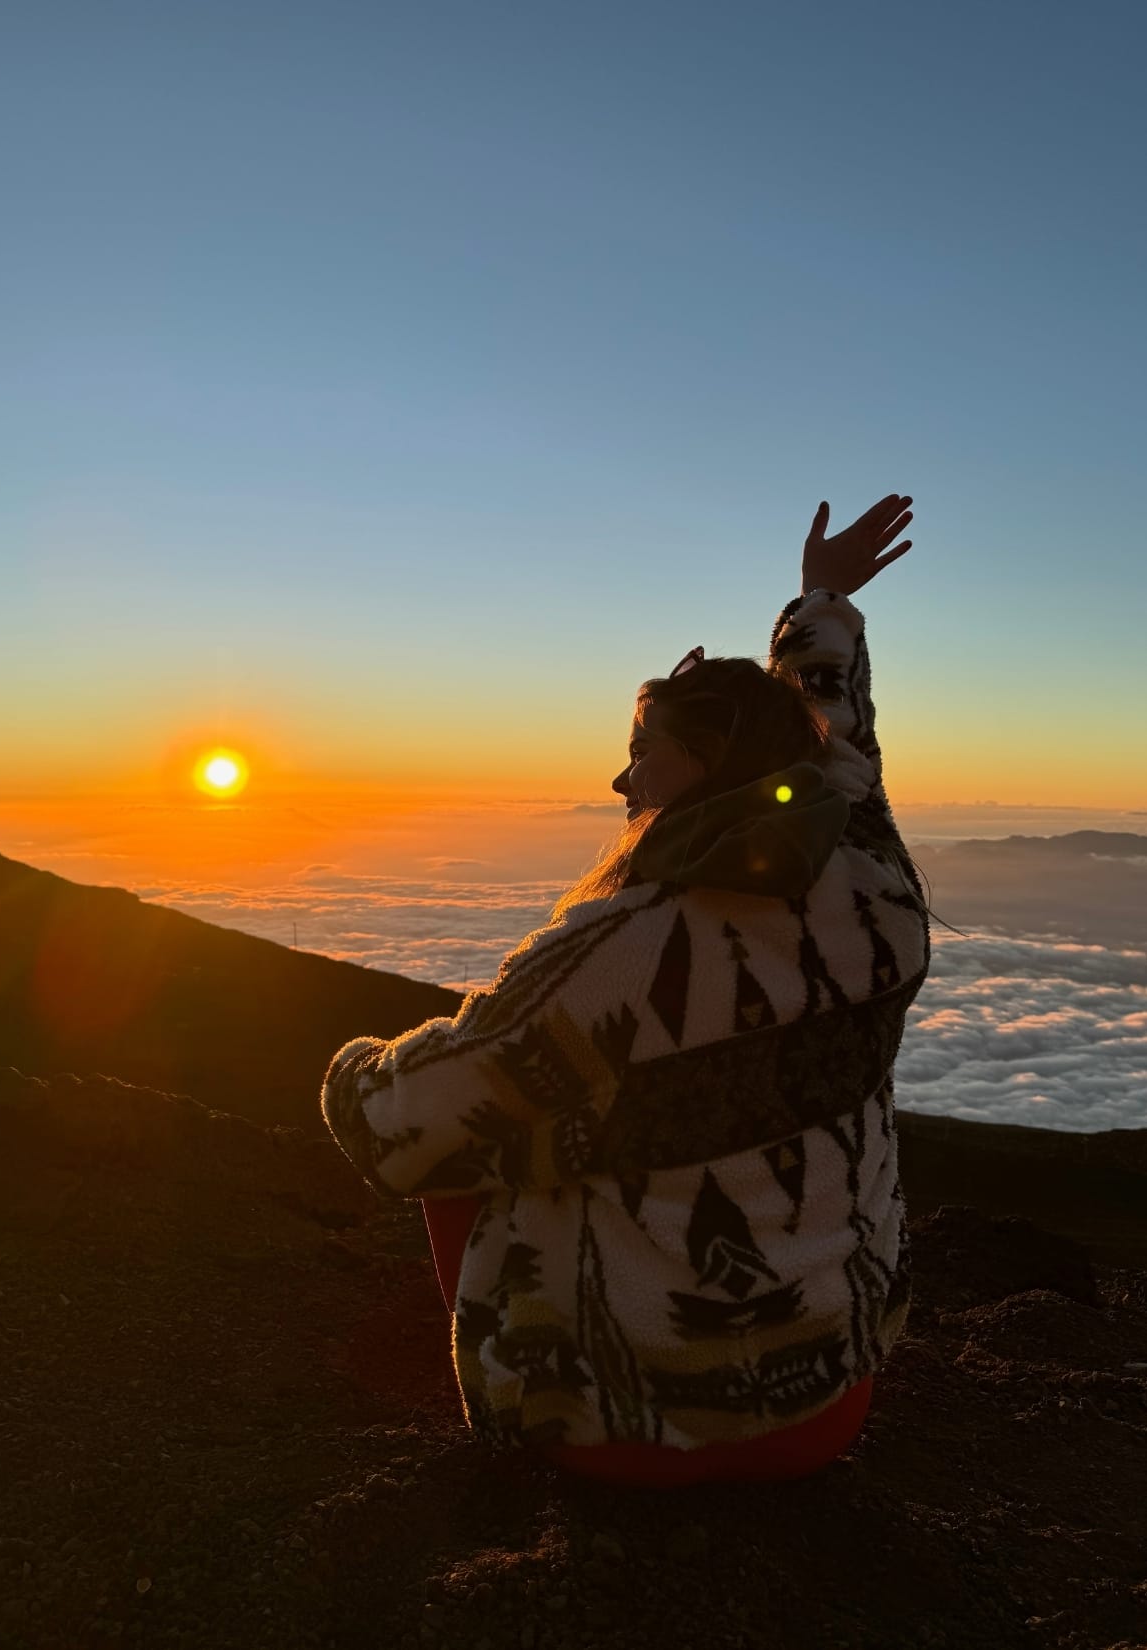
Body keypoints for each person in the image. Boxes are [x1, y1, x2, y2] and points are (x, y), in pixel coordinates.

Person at [321, 493, 929, 1487]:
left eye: (645, 752)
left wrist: (353, 1067)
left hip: (637, 1433)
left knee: (484, 1127)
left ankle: (537, 1397)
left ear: (710, 769)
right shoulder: (877, 884)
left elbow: (399, 1130)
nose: (620, 780)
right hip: (831, 1406)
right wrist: (821, 600)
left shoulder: (619, 947)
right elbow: (838, 736)